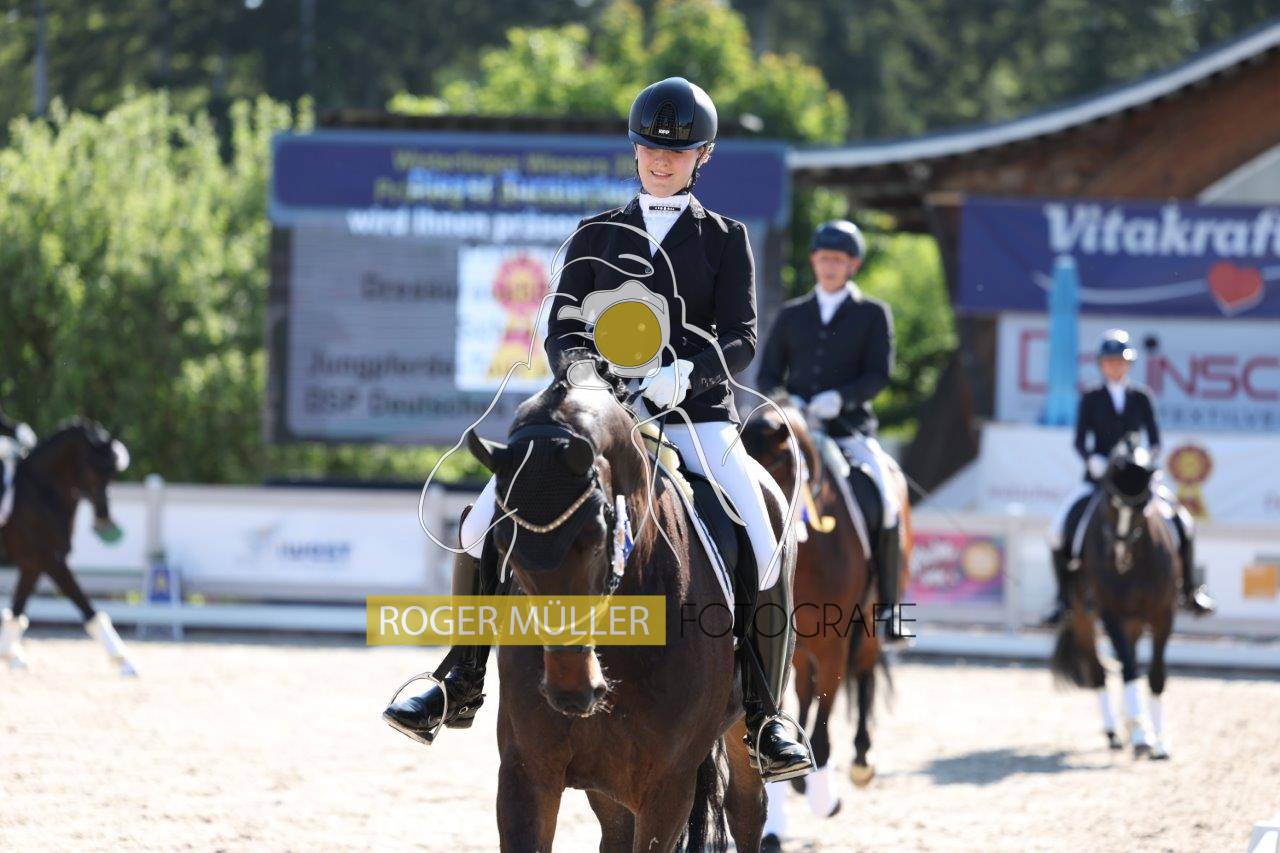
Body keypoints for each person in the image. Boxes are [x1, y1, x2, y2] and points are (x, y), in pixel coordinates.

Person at [384, 76, 815, 782]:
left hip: (693, 415)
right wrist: (587, 381)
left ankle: (766, 715)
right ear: (635, 149)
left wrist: (687, 374)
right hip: (596, 413)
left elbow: (741, 337)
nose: (661, 160)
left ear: (702, 156)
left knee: (766, 537)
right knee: (480, 521)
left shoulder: (725, 238)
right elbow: (563, 327)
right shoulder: (595, 234)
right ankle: (457, 676)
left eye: (676, 151)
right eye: (650, 147)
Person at [756, 220, 909, 644]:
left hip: (848, 431)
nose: (830, 266)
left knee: (886, 501)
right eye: (824, 258)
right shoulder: (792, 315)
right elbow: (768, 375)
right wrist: (787, 402)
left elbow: (878, 374)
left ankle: (890, 607)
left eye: (838, 260)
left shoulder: (871, 313)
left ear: (853, 265)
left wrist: (842, 398)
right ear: (813, 261)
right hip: (793, 433)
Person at [1044, 329, 1215, 625]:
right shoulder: (1091, 398)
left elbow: (1156, 440)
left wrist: (1145, 459)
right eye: (1110, 361)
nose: (1115, 366)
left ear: (1128, 364)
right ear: (1101, 364)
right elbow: (1079, 441)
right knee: (1058, 531)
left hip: (1136, 481)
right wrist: (1092, 459)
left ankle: (1190, 590)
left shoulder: (1141, 397)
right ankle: (1063, 598)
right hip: (1099, 480)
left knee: (1183, 522)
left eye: (1120, 361)